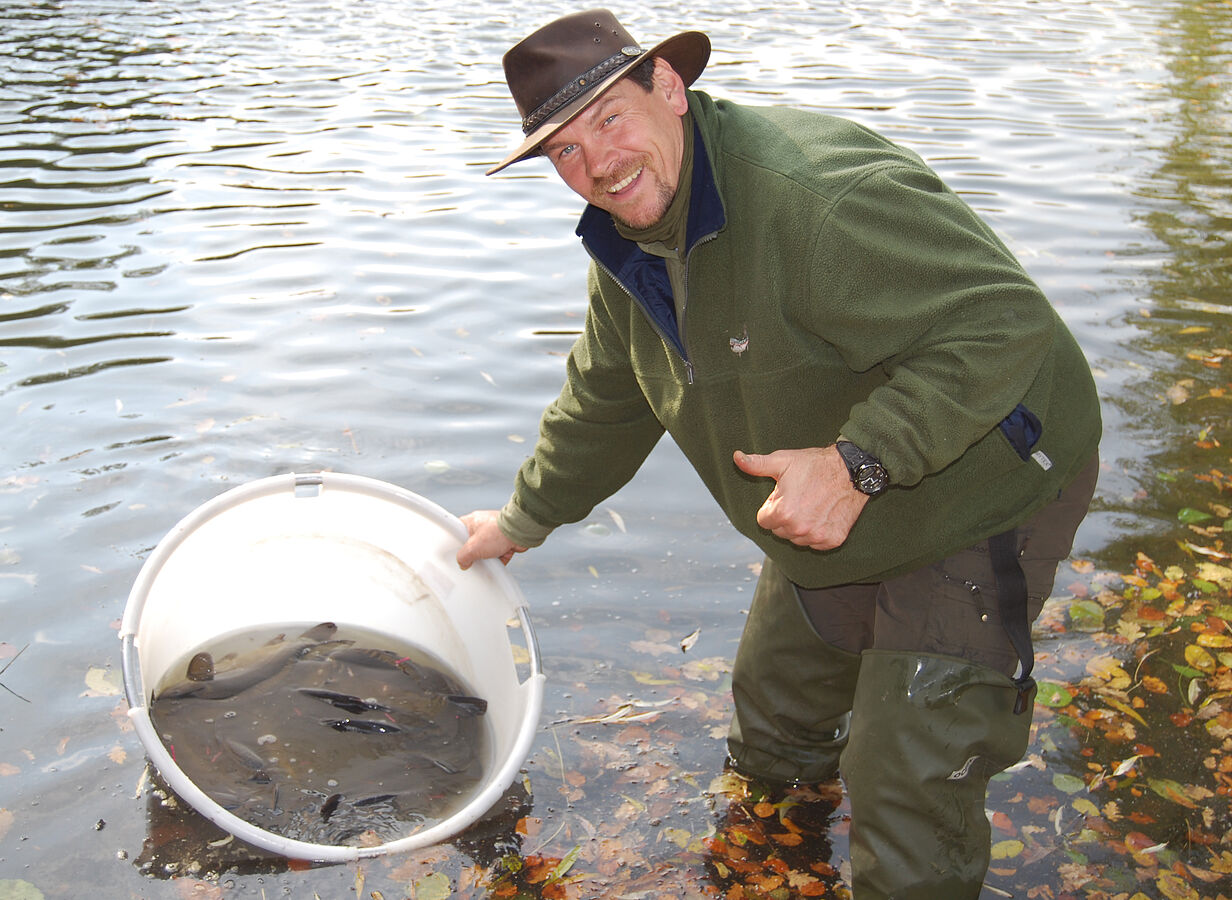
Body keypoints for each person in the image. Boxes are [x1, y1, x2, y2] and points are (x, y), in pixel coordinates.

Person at [456, 9, 1101, 899]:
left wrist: (855, 466)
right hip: (825, 494)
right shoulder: (634, 242)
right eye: (563, 150)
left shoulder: (815, 197)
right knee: (772, 728)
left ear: (670, 90)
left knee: (905, 783)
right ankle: (772, 866)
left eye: (609, 118)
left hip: (984, 480)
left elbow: (1003, 324)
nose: (596, 164)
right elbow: (607, 397)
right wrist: (522, 518)